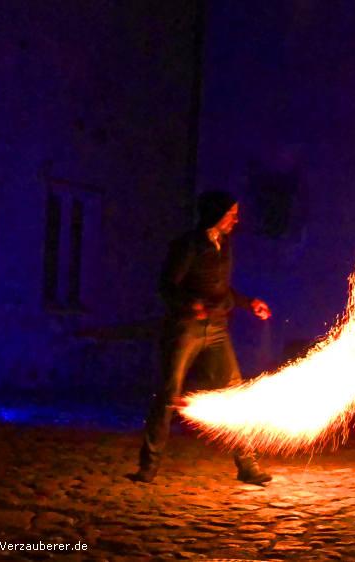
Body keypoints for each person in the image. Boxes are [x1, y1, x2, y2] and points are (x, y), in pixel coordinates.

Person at [133, 190, 273, 485]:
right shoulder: (188, 246)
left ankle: (247, 465)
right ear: (216, 214)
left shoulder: (225, 244)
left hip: (218, 330)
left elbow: (221, 291)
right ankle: (149, 466)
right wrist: (190, 305)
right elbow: (167, 287)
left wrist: (249, 303)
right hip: (187, 329)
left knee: (235, 392)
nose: (237, 219)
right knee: (170, 393)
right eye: (231, 213)